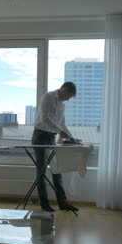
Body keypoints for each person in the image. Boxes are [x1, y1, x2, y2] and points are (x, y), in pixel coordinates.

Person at [32, 81, 80, 212]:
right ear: (63, 89)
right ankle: (44, 203)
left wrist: (71, 137)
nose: (68, 99)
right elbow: (45, 119)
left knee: (56, 170)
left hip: (51, 137)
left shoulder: (62, 105)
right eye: (68, 96)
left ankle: (63, 203)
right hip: (40, 136)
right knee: (41, 171)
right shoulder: (47, 97)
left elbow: (62, 124)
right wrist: (60, 132)